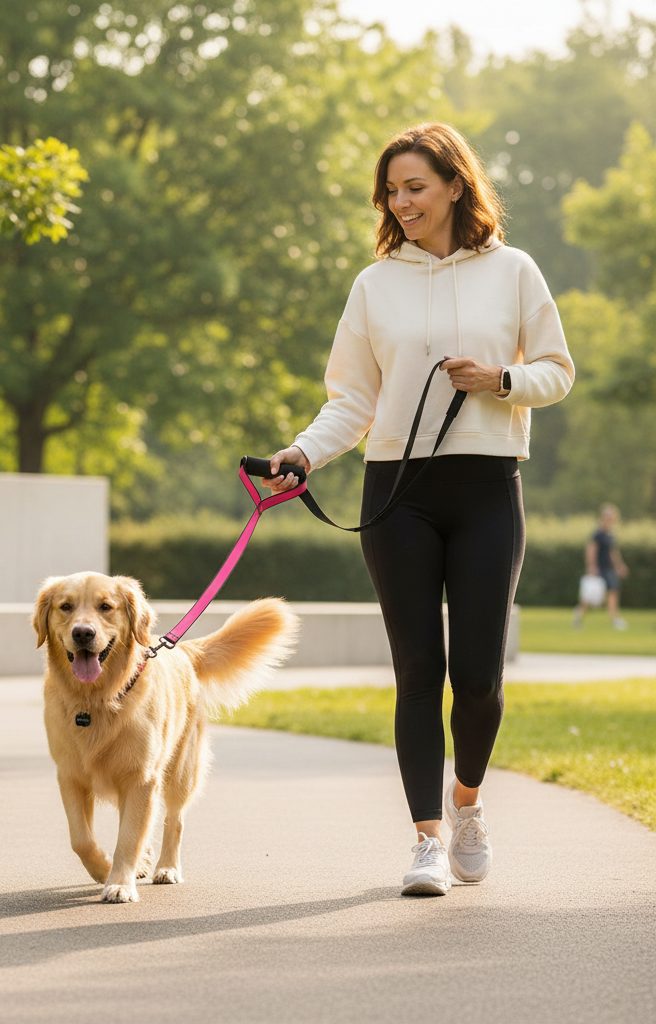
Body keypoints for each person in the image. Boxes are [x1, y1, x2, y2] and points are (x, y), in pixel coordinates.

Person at [263, 123, 574, 896]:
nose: (401, 203)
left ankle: (466, 803)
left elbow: (558, 371)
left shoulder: (514, 271)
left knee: (477, 677)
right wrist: (301, 453)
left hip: (487, 488)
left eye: (415, 188)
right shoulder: (375, 285)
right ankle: (427, 841)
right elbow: (353, 400)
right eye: (391, 192)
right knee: (416, 672)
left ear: (455, 186)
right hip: (397, 491)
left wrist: (501, 380)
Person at [573, 503, 629, 630]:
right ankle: (578, 616)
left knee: (613, 592)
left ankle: (614, 619)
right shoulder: (598, 534)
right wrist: (591, 566)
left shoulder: (610, 534)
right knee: (590, 597)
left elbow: (613, 553)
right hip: (599, 569)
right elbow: (591, 550)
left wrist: (619, 567)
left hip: (609, 569)